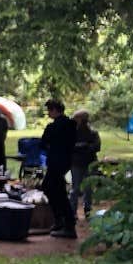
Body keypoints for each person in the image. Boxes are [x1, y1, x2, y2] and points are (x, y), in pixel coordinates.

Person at [40, 98, 79, 238]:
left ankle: (65, 222)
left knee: (53, 189)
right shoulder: (72, 125)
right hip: (66, 161)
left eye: (49, 110)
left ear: (54, 110)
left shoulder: (53, 127)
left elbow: (43, 143)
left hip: (55, 161)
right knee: (55, 188)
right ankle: (61, 220)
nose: (48, 113)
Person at [70, 109, 101, 220]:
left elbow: (96, 147)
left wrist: (84, 147)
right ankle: (73, 212)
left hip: (90, 163)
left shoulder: (92, 132)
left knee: (88, 188)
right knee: (75, 188)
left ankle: (87, 211)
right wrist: (82, 147)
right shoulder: (72, 132)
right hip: (76, 163)